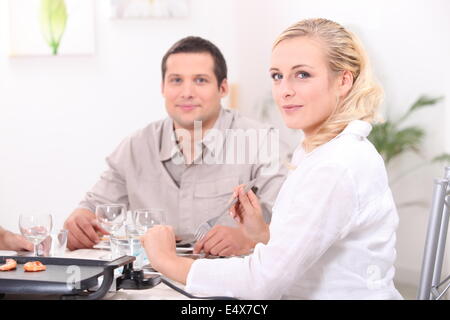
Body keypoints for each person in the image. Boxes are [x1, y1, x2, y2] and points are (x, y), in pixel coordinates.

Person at [141, 18, 403, 299]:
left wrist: (167, 261)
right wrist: (262, 233)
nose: (284, 90)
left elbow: (263, 282)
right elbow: (305, 254)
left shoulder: (336, 165)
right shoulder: (319, 151)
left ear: (343, 81)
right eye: (277, 76)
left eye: (302, 75)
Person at [64, 36, 287, 257]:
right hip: (152, 285)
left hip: (230, 282)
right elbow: (94, 207)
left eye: (200, 80)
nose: (187, 92)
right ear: (163, 88)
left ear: (223, 88)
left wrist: (248, 239)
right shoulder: (136, 146)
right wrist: (79, 219)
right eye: (176, 80)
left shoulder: (260, 142)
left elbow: (290, 226)